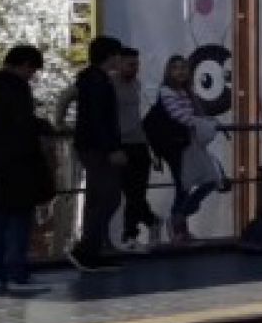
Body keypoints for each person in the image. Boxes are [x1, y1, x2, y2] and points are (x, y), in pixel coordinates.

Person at [0, 44, 54, 296]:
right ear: (25, 65)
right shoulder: (17, 87)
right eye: (33, 70)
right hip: (20, 161)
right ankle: (17, 270)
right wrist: (43, 126)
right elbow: (22, 123)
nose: (33, 76)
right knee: (20, 217)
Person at [60, 35, 127, 272]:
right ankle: (87, 250)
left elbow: (70, 101)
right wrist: (112, 149)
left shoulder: (89, 79)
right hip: (98, 149)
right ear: (110, 56)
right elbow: (100, 120)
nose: (121, 60)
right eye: (118, 55)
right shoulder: (99, 82)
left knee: (99, 197)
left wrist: (61, 122)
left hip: (89, 146)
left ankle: (90, 249)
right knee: (108, 197)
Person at [149, 54, 222, 241]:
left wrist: (203, 122)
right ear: (169, 71)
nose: (180, 71)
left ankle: (179, 219)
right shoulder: (167, 92)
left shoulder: (186, 92)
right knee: (185, 185)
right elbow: (179, 117)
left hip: (188, 144)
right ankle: (177, 223)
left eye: (183, 68)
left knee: (207, 180)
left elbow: (191, 117)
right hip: (175, 146)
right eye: (175, 68)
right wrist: (205, 124)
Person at [114, 48, 162, 251]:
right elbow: (70, 94)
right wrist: (60, 120)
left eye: (136, 65)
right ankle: (151, 221)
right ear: (119, 63)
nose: (134, 69)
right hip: (120, 143)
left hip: (139, 143)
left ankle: (130, 234)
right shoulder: (109, 83)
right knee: (130, 192)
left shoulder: (136, 84)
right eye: (130, 64)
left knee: (137, 192)